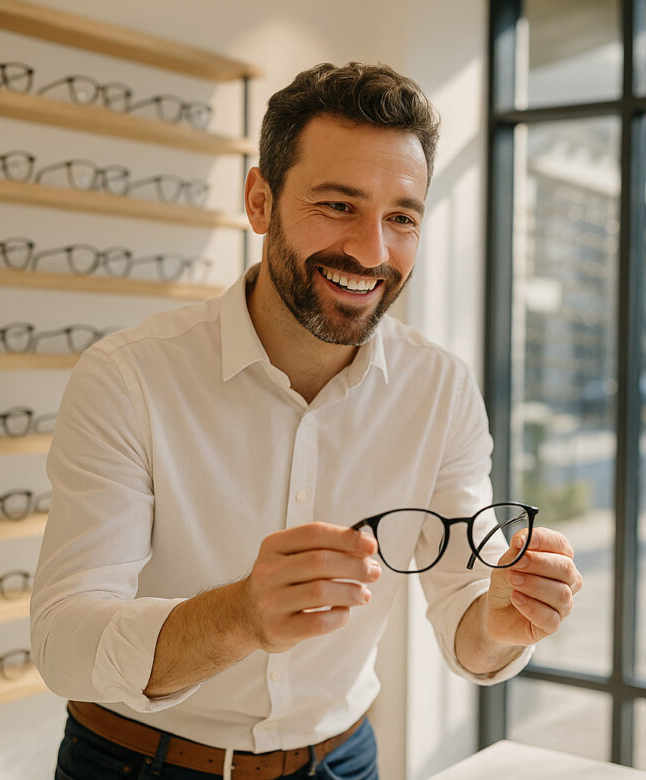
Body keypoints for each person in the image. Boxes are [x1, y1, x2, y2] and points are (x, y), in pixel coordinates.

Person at [30, 62, 583, 780]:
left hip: (342, 761)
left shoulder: (440, 388)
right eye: (338, 205)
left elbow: (468, 623)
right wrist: (237, 618)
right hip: (137, 764)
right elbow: (63, 640)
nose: (371, 252)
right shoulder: (129, 377)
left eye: (401, 217)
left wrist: (504, 622)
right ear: (260, 201)